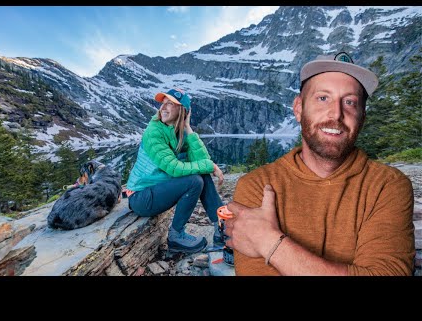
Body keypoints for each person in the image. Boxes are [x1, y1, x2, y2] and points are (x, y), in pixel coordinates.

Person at [225, 52, 415, 276]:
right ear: (298, 109)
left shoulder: (388, 185)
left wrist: (269, 242)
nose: (336, 114)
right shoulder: (257, 185)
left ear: (362, 117)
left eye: (350, 102)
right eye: (323, 98)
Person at [126, 88, 225, 253]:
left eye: (170, 104)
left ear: (183, 111)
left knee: (201, 174)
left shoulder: (178, 132)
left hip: (157, 189)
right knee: (194, 181)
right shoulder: (153, 132)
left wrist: (188, 128)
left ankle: (222, 228)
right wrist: (211, 166)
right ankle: (176, 236)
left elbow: (201, 161)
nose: (163, 108)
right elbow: (174, 169)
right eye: (163, 103)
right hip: (141, 197)